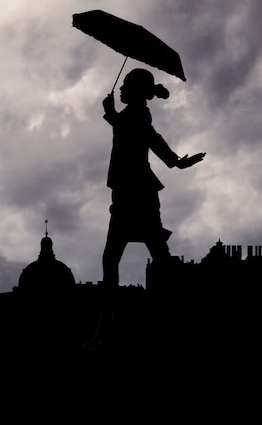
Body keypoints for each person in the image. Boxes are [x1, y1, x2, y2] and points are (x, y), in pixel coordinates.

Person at [84, 68, 205, 350]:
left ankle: (109, 328)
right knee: (144, 260)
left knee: (130, 260)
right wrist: (175, 162)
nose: (122, 88)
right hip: (130, 195)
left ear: (136, 91)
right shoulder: (133, 114)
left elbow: (145, 136)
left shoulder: (137, 114)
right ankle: (108, 327)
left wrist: (109, 114)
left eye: (126, 85)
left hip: (135, 195)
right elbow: (144, 136)